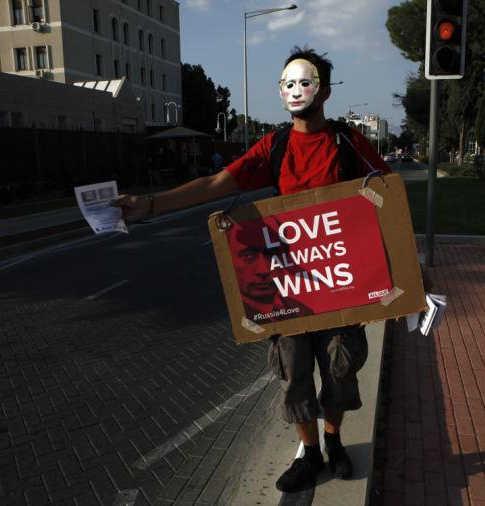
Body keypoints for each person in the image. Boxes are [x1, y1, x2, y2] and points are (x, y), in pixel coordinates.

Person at [114, 46, 390, 493]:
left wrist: (406, 270)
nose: (296, 90)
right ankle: (312, 454)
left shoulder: (347, 143)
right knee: (294, 375)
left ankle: (335, 442)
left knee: (339, 371)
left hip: (339, 284)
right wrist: (149, 205)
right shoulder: (274, 145)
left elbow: (388, 198)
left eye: (305, 81)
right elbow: (214, 184)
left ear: (325, 90)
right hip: (288, 288)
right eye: (288, 82)